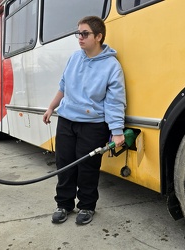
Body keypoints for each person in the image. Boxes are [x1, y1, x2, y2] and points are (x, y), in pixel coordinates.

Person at [42, 16, 126, 225]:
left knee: (87, 168)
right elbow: (63, 86)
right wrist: (51, 107)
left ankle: (87, 206)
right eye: (78, 33)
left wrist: (117, 131)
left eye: (85, 33)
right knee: (64, 164)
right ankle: (64, 204)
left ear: (98, 36)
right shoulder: (74, 58)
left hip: (93, 125)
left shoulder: (111, 66)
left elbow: (115, 102)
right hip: (66, 120)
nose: (79, 38)